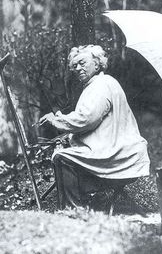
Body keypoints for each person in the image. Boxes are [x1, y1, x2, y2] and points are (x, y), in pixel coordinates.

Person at [39, 45, 150, 208]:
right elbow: (93, 120)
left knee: (62, 157)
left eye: (82, 63)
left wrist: (56, 121)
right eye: (74, 66)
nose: (78, 68)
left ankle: (73, 210)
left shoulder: (100, 85)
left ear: (97, 63)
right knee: (65, 153)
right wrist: (66, 127)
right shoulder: (100, 83)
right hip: (119, 150)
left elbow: (86, 119)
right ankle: (81, 204)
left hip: (115, 153)